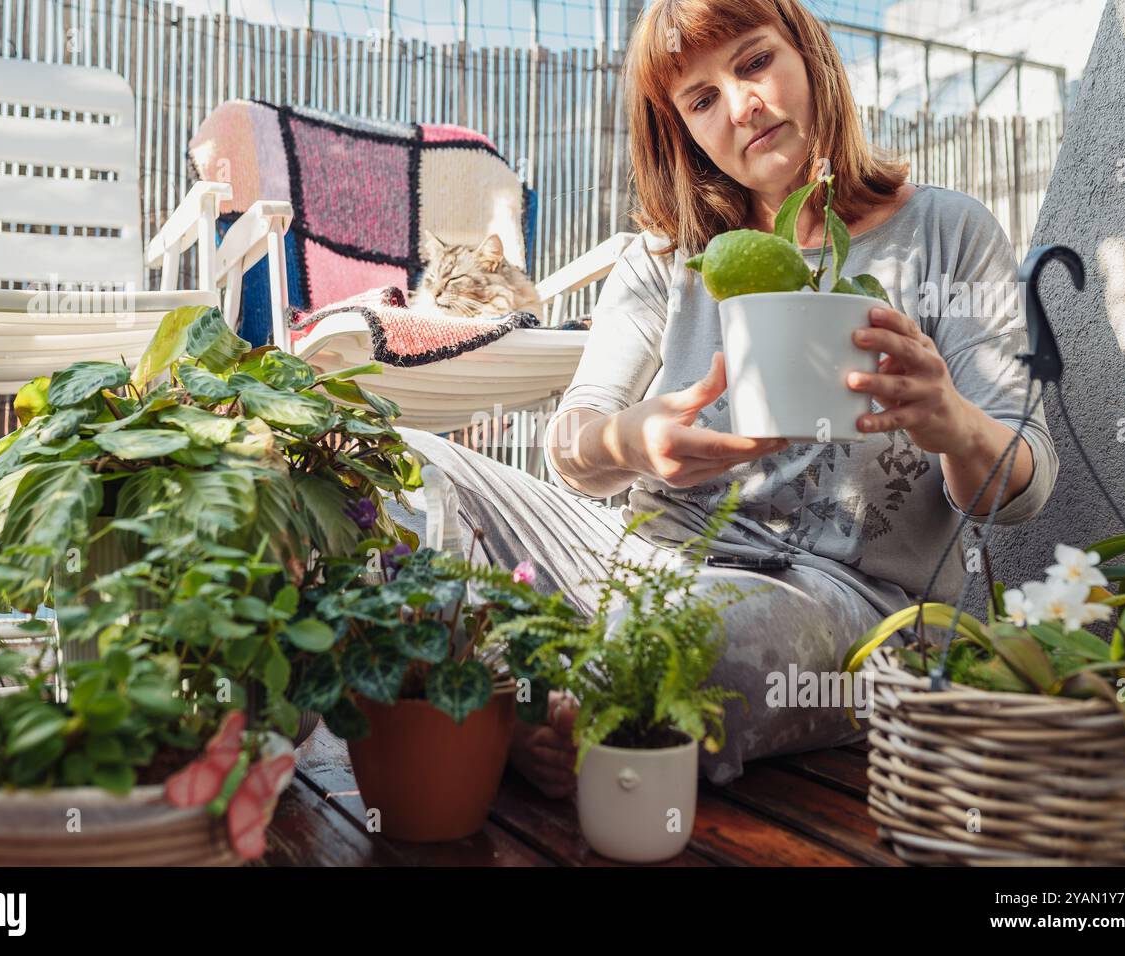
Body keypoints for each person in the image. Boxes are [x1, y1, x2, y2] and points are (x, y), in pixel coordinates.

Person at [390, 0, 1058, 798]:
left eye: (752, 63)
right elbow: (570, 443)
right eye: (701, 99)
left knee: (694, 640)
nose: (741, 106)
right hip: (635, 560)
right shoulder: (666, 259)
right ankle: (559, 710)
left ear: (807, 55)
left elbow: (1025, 482)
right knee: (395, 466)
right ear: (683, 131)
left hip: (844, 603)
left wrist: (952, 421)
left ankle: (524, 707)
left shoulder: (948, 234)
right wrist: (628, 443)